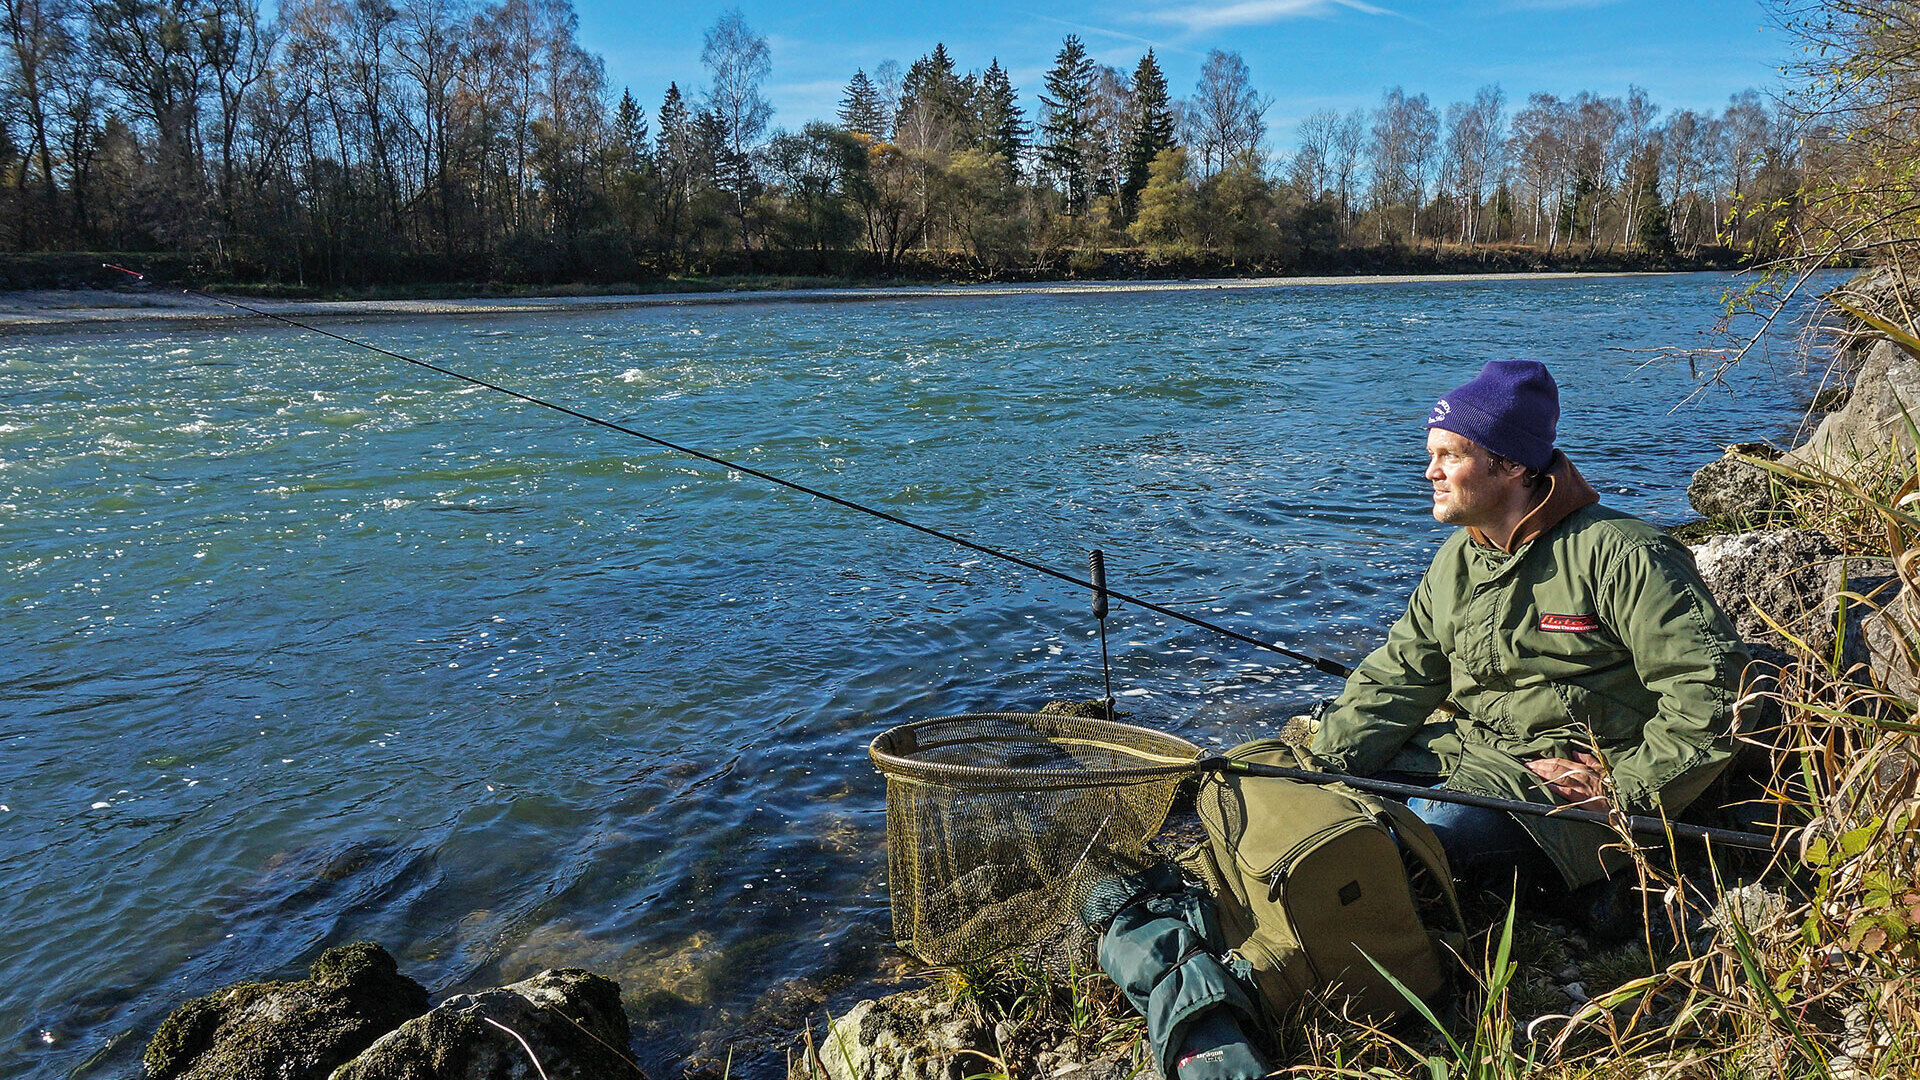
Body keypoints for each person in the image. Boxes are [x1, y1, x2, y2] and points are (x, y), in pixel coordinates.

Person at [1307, 360, 1749, 906]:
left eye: (1450, 455)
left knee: (1412, 846)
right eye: (1431, 456)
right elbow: (1396, 677)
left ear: (1510, 464)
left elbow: (1717, 694)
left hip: (1572, 788)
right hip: (1473, 756)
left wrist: (1625, 796)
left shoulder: (1624, 553)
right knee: (1318, 813)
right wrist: (1318, 767)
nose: (1430, 474)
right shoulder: (1456, 560)